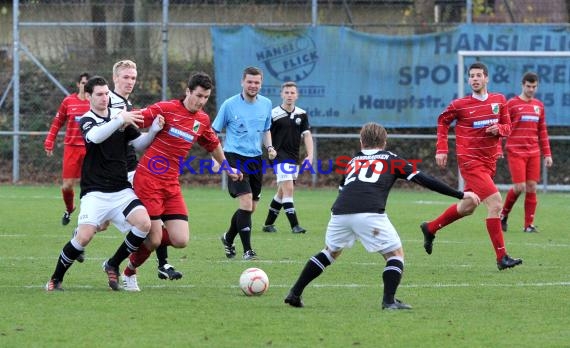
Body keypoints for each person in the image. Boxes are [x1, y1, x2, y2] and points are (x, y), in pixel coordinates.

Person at [284, 122, 480, 309]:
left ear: (361, 142)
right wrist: (461, 194)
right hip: (369, 213)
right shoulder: (391, 158)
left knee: (329, 252)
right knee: (395, 255)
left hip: (339, 213)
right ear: (384, 142)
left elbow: (342, 188)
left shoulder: (353, 161)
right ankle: (389, 301)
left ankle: (294, 293)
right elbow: (424, 179)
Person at [121, 72, 242, 291]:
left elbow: (213, 144)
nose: (201, 101)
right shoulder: (165, 109)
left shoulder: (202, 120)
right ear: (188, 91)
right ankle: (129, 271)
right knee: (155, 239)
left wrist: (227, 167)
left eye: (206, 97)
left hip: (171, 184)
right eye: (198, 95)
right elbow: (137, 117)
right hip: (148, 179)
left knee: (180, 239)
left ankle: (142, 237)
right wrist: (114, 117)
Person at [45, 76, 164, 291]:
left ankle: (113, 264)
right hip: (95, 192)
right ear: (88, 96)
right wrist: (120, 120)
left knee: (144, 224)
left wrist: (154, 130)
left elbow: (139, 144)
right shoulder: (87, 119)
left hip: (121, 190)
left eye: (107, 93)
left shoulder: (120, 117)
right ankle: (55, 278)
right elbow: (97, 137)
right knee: (84, 237)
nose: (104, 97)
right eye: (99, 94)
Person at [420, 62, 523, 271]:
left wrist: (499, 129)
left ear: (486, 78)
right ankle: (501, 257)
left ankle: (430, 228)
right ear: (469, 80)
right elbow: (442, 121)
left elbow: (508, 126)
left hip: (488, 162)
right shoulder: (460, 105)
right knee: (495, 203)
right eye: (471, 76)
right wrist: (442, 148)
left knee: (468, 206)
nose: (474, 79)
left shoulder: (499, 100)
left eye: (478, 75)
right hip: (470, 162)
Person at [107, 59, 182, 281]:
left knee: (152, 220)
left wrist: (155, 130)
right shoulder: (108, 103)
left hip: (131, 170)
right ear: (115, 78)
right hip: (112, 175)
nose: (130, 82)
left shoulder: (127, 105)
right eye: (125, 77)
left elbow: (136, 143)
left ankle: (158, 263)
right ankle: (118, 264)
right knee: (142, 226)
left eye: (133, 78)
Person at [212, 66, 276, 261]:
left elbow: (266, 129)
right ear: (242, 82)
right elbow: (212, 133)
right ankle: (248, 250)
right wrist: (215, 159)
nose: (253, 85)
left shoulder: (266, 104)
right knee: (246, 201)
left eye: (257, 82)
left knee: (251, 207)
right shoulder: (229, 105)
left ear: (261, 84)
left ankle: (228, 237)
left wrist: (270, 147)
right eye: (249, 82)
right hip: (234, 157)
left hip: (255, 159)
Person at [500, 72, 553, 233]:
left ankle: (528, 225)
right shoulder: (512, 104)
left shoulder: (539, 106)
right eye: (528, 86)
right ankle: (503, 215)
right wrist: (497, 147)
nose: (531, 89)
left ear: (537, 86)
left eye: (534, 86)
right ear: (522, 85)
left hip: (534, 151)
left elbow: (542, 131)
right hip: (515, 150)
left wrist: (547, 154)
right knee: (519, 186)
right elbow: (503, 126)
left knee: (531, 187)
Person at [262, 81, 314, 234]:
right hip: (278, 156)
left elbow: (307, 135)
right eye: (286, 92)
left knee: (282, 191)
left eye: (292, 93)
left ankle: (268, 224)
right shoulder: (273, 114)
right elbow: (266, 133)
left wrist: (310, 155)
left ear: (297, 95)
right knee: (289, 188)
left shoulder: (301, 114)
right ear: (281, 94)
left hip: (293, 157)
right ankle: (295, 226)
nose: (289, 95)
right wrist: (269, 148)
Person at [44, 72, 91, 226]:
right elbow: (57, 122)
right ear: (78, 84)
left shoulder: (96, 103)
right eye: (83, 83)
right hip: (71, 148)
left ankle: (88, 217)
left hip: (91, 149)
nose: (86, 86)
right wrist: (49, 140)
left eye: (89, 83)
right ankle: (69, 208)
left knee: (89, 185)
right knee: (67, 185)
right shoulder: (68, 101)